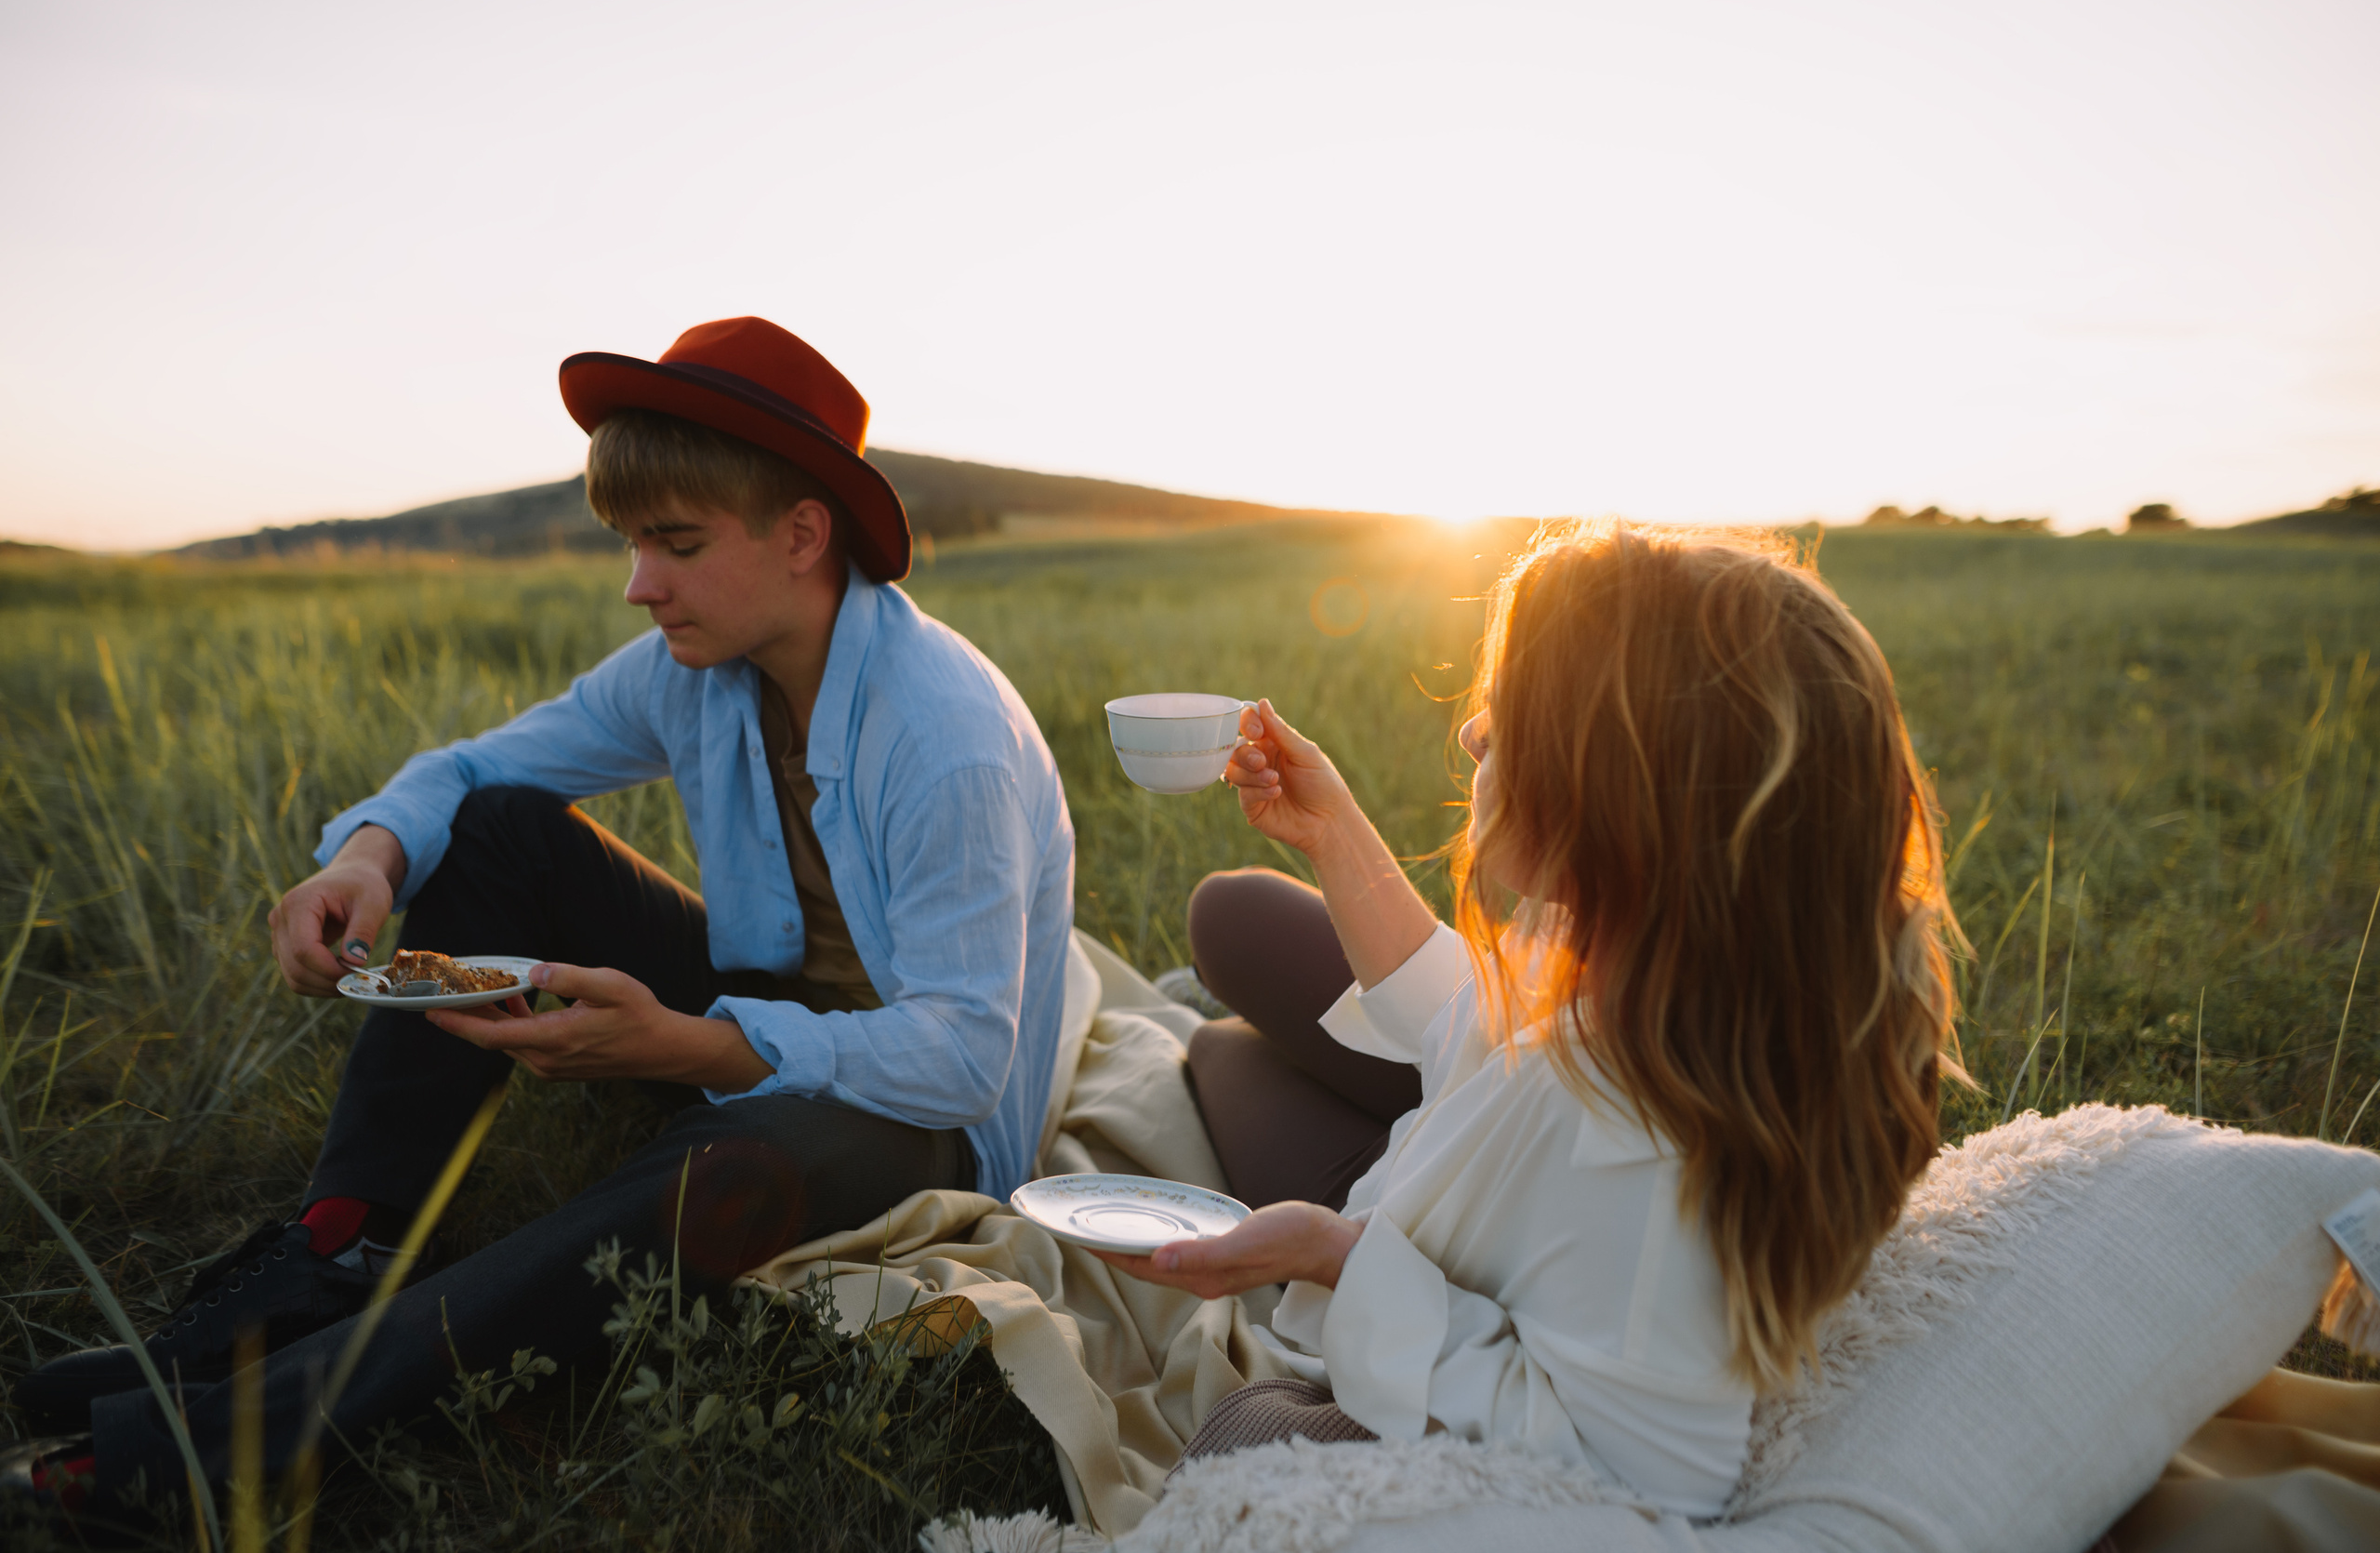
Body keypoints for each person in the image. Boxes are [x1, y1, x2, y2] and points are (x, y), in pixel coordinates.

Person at [7, 317, 1075, 1518]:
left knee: (726, 1163)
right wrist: (369, 853)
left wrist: (690, 1046)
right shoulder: (693, 667)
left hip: (917, 1110)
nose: (638, 583)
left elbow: (964, 1058)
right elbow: (470, 770)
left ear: (802, 535)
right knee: (504, 824)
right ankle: (342, 1253)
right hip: (763, 1009)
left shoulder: (948, 736)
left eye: (674, 543)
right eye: (630, 543)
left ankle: (236, 1433)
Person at [1104, 521, 1964, 1519]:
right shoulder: (1642, 947)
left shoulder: (1648, 1151)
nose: (1472, 732)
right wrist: (1332, 830)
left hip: (1410, 1228)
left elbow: (1644, 1468)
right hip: (1441, 1153)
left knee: (1215, 1057)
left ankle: (1215, 1056)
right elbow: (1478, 1026)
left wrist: (1330, 1256)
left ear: (1620, 795)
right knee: (1232, 922)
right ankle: (1228, 1041)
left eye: (1512, 714)